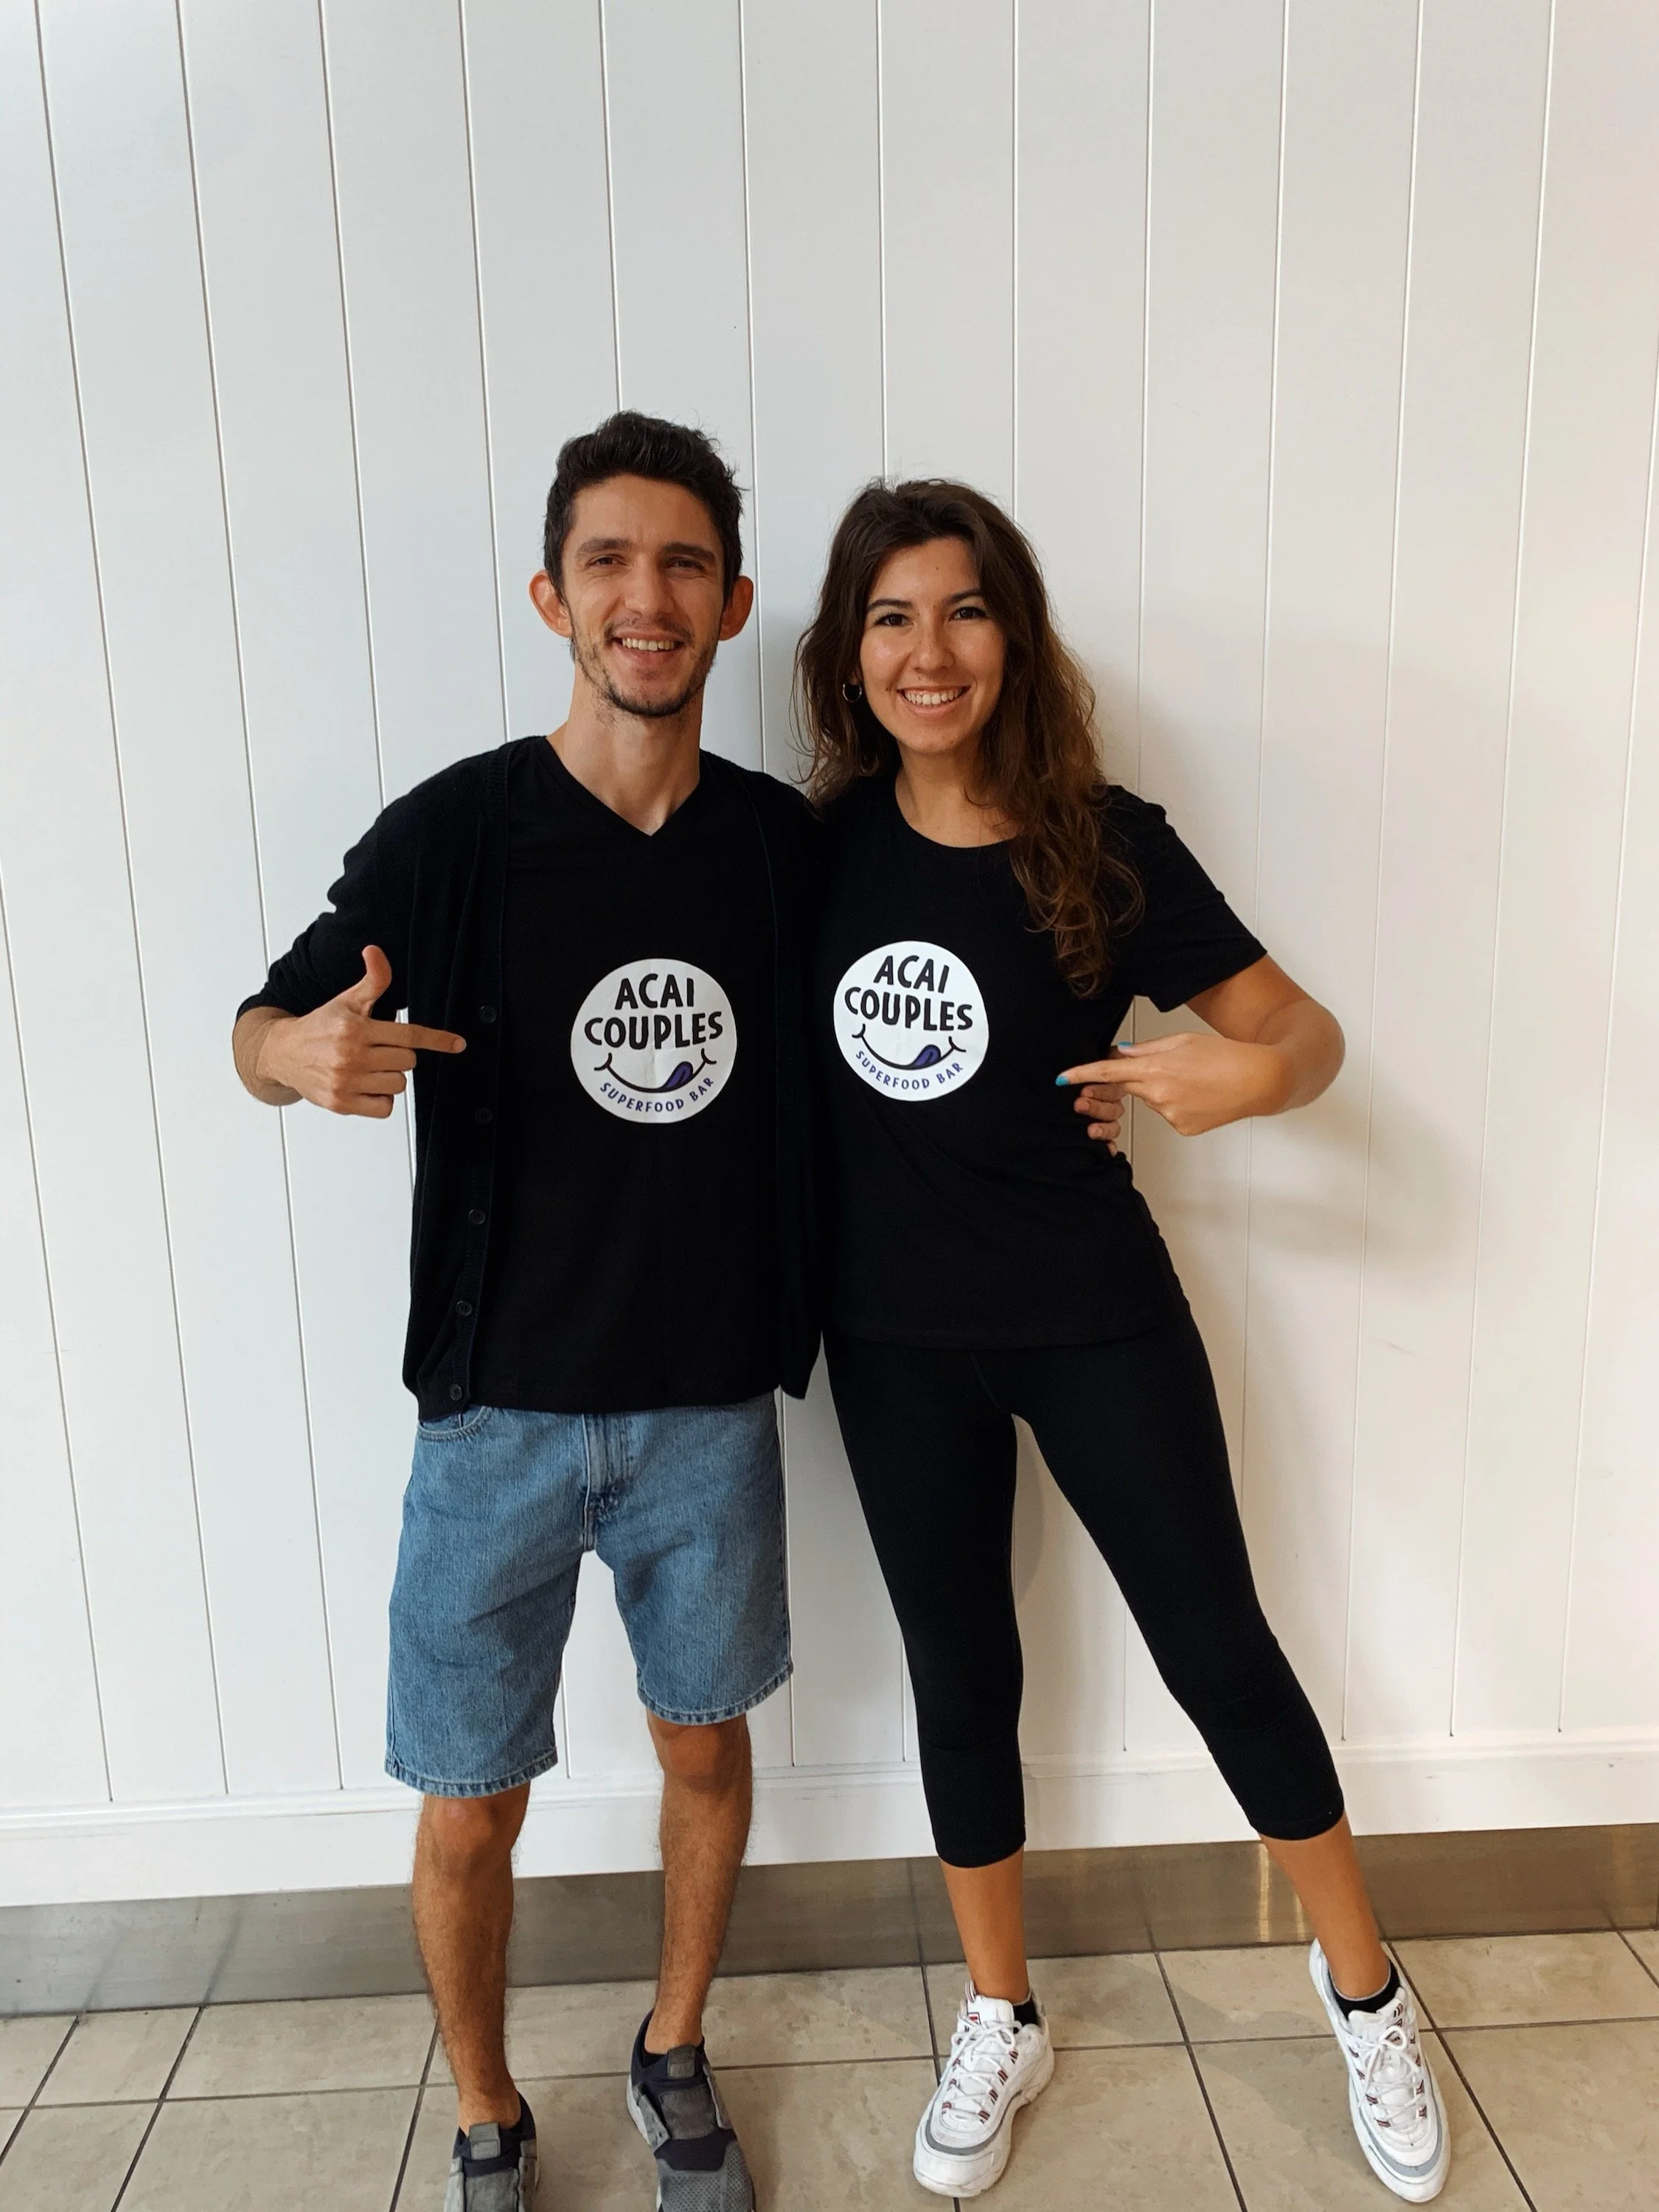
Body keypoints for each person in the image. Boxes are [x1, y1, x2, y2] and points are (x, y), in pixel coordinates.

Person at [798, 479, 1450, 2205]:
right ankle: (1002, 2010)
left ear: (1014, 635)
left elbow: (1296, 1034)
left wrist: (1245, 1078)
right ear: (846, 652)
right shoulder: (815, 851)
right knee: (965, 1677)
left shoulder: (1110, 840)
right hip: (892, 1337)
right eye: (890, 617)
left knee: (1219, 1650)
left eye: (962, 610)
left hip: (1094, 1316)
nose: (928, 651)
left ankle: (1368, 1990)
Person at [232, 413, 823, 2212]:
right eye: (610, 563)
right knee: (469, 1800)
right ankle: (490, 2114)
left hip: (708, 1411)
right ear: (553, 591)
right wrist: (294, 1054)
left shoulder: (789, 852)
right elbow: (263, 1023)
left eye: (681, 566)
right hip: (491, 1416)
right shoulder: (455, 835)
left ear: (729, 602)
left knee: (705, 1750)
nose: (645, 600)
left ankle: (670, 2052)